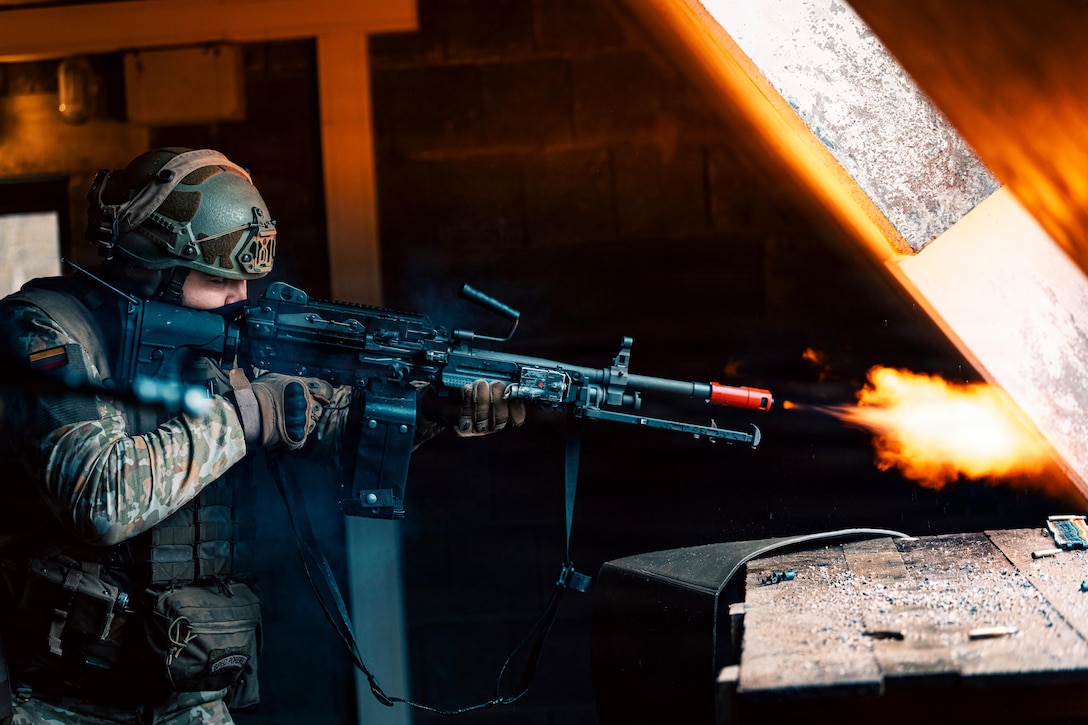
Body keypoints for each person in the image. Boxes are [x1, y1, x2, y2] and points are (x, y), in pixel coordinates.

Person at [0, 147, 524, 724]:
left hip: (189, 697)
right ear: (158, 265)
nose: (240, 297)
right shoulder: (42, 330)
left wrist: (431, 407)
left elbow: (322, 419)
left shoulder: (223, 342)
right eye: (220, 279)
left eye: (247, 279)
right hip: (54, 702)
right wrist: (249, 414)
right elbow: (100, 495)